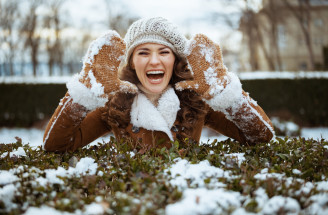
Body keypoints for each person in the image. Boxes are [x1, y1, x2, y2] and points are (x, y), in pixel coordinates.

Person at [43, 17, 274, 152]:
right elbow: (56, 145)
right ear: (132, 62)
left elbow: (260, 136)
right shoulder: (115, 106)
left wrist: (228, 95)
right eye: (143, 52)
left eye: (164, 52)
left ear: (175, 60)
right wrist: (81, 95)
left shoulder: (196, 101)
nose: (154, 61)